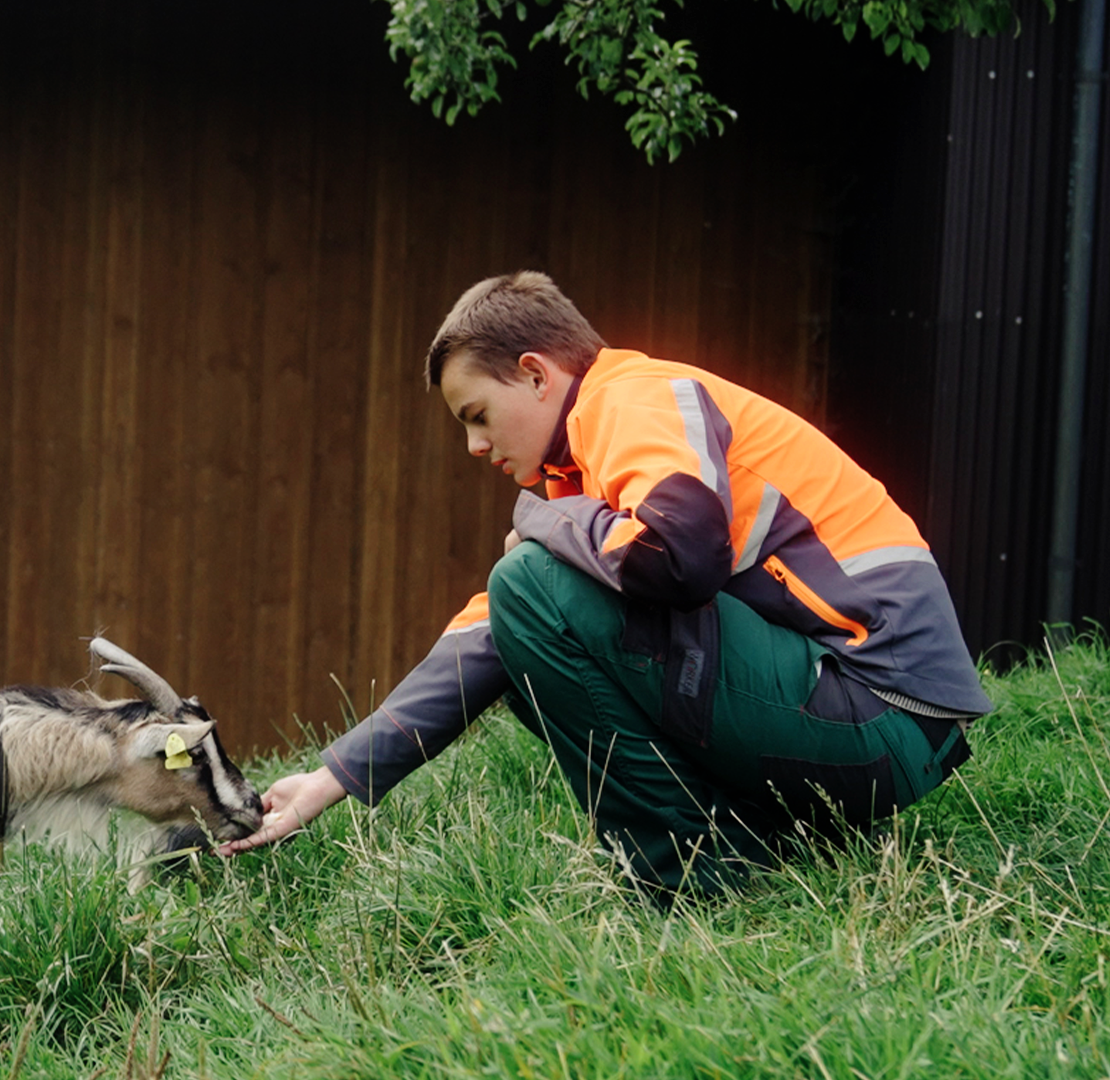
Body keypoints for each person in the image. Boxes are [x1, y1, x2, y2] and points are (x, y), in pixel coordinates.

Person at [220, 271, 986, 898]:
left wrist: (541, 522)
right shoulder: (585, 474)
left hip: (881, 710)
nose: (475, 444)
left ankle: (695, 877)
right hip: (862, 719)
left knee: (530, 585)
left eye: (478, 415)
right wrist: (332, 778)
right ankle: (754, 840)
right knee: (523, 621)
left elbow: (680, 551)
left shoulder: (633, 398)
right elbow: (488, 636)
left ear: (536, 373)